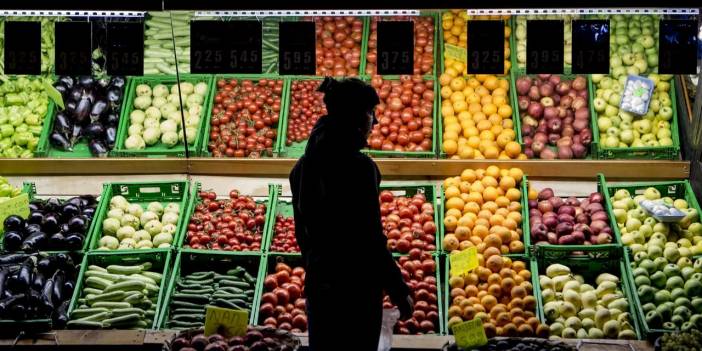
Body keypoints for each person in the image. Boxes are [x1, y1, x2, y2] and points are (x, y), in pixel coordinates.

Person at [289, 77, 413, 350]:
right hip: (356, 292)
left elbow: (302, 233)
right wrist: (398, 289)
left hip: (321, 287)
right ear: (356, 117)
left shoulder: (304, 164)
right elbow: (370, 238)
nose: (376, 122)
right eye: (371, 113)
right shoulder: (359, 169)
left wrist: (315, 265)